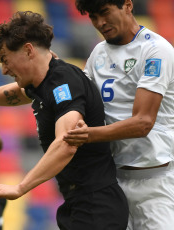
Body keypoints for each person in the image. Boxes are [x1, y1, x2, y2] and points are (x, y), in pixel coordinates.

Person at [0, 11, 128, 230]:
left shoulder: (63, 83)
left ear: (28, 50)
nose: (4, 69)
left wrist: (21, 187)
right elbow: (18, 93)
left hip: (96, 207)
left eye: (5, 59)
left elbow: (67, 143)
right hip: (81, 203)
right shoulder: (47, 82)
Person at [63, 0, 174, 229]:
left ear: (127, 5)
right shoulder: (98, 52)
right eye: (93, 17)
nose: (100, 23)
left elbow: (142, 123)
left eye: (104, 13)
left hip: (156, 182)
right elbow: (79, 94)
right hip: (113, 182)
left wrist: (88, 135)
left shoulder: (156, 51)